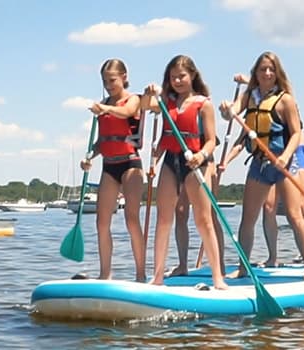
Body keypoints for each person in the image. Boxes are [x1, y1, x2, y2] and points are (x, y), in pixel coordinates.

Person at [219, 51, 304, 280]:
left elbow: (295, 134)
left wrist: (285, 156)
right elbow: (232, 113)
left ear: (277, 73)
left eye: (271, 69)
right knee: (248, 218)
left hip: (284, 163)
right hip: (259, 164)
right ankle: (244, 267)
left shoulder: (285, 100)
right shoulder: (250, 96)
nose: (266, 73)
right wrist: (226, 110)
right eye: (262, 69)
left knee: (295, 214)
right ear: (255, 72)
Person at [139, 54, 226, 288]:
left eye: (182, 76)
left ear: (192, 76)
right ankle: (157, 277)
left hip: (196, 163)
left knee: (203, 219)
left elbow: (210, 141)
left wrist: (200, 156)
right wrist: (148, 93)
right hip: (171, 161)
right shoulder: (165, 102)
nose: (177, 81)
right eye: (173, 77)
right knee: (164, 218)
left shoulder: (203, 104)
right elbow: (145, 106)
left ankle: (217, 276)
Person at [79, 58, 147, 281]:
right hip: (109, 165)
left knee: (131, 219)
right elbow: (101, 141)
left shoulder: (133, 99)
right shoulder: (104, 105)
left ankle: (140, 274)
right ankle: (105, 274)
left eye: (112, 80)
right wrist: (90, 156)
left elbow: (126, 113)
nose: (108, 85)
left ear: (124, 77)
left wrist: (104, 108)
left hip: (130, 164)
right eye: (104, 81)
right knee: (101, 222)